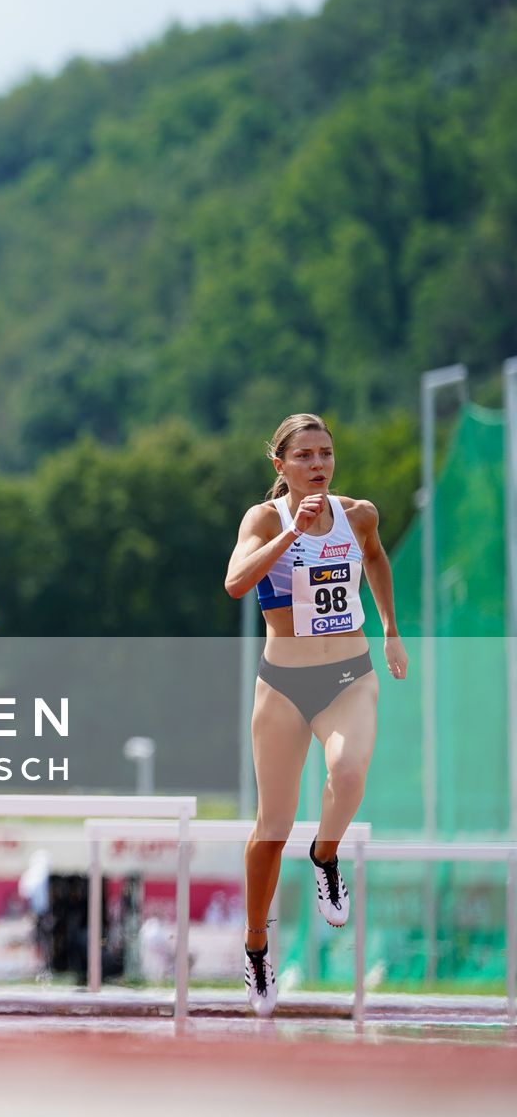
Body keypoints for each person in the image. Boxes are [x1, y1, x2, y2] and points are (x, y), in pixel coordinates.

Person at [224, 413, 406, 1018]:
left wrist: (389, 628)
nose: (319, 465)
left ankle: (325, 855)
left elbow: (376, 560)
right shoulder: (263, 519)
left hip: (348, 674)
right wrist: (290, 537)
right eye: (304, 456)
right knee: (271, 829)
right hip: (282, 685)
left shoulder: (359, 515)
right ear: (280, 466)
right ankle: (255, 947)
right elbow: (234, 582)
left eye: (325, 453)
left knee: (349, 771)